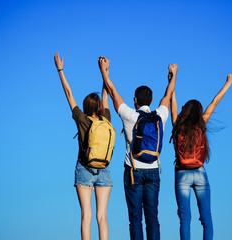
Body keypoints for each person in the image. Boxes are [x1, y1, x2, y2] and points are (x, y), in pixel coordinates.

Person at [98, 56, 177, 240]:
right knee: (152, 217)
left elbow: (112, 91)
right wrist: (174, 75)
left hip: (133, 171)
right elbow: (168, 94)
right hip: (154, 171)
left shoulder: (129, 115)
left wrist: (104, 70)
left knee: (135, 218)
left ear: (135, 100)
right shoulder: (160, 115)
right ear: (151, 100)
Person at [54, 53, 113, 240]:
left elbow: (68, 93)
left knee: (86, 216)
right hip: (104, 169)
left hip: (85, 169)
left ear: (86, 106)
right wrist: (105, 70)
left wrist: (60, 70)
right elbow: (106, 93)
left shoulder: (81, 119)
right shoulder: (106, 119)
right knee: (102, 217)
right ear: (100, 107)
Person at [170, 73, 232, 240]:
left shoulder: (177, 125)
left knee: (185, 220)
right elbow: (214, 102)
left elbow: (173, 105)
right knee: (206, 219)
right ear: (198, 112)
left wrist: (172, 81)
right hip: (200, 173)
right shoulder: (201, 124)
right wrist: (228, 83)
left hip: (181, 173)